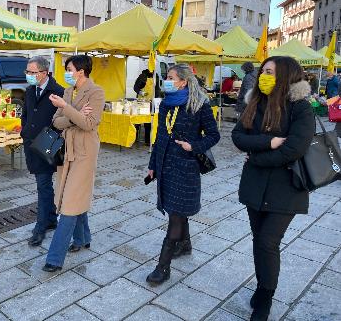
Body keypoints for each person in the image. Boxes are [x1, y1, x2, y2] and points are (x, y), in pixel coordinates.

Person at [231, 56, 314, 321]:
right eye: (263, 71)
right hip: (255, 186)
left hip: (287, 187)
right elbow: (237, 137)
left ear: (286, 76)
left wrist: (256, 156)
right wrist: (269, 143)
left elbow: (294, 148)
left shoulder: (301, 108)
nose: (263, 76)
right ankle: (261, 285)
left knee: (268, 241)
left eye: (270, 72)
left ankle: (266, 296)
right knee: (259, 241)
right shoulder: (255, 102)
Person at [145, 64, 220, 285]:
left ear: (183, 82)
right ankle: (185, 244)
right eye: (166, 77)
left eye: (170, 78)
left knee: (176, 213)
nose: (166, 81)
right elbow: (159, 136)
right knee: (174, 208)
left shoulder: (199, 105)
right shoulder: (166, 105)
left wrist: (193, 146)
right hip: (166, 164)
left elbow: (214, 135)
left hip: (185, 167)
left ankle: (163, 266)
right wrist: (153, 164)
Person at [42, 55, 105, 272]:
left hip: (85, 152)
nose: (67, 73)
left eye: (69, 69)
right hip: (66, 149)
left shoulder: (96, 92)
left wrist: (67, 110)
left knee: (69, 202)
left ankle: (54, 258)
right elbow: (56, 121)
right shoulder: (68, 92)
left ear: (80, 70)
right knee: (73, 195)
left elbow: (88, 124)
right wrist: (72, 113)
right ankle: (82, 238)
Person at [21, 56, 64, 246]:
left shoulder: (59, 91)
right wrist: (24, 132)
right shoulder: (30, 90)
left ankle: (40, 227)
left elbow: (63, 120)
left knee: (43, 184)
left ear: (44, 73)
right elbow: (26, 114)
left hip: (48, 142)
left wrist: (52, 138)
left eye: (32, 72)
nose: (29, 75)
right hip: (30, 142)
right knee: (43, 184)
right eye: (27, 72)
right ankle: (51, 218)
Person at [133, 69, 161, 145]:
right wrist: (141, 92)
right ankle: (134, 138)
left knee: (148, 122)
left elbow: (157, 89)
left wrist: (157, 98)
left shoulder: (156, 76)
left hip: (151, 102)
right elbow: (135, 87)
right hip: (141, 102)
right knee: (137, 121)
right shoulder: (142, 76)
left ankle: (148, 141)